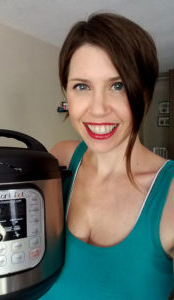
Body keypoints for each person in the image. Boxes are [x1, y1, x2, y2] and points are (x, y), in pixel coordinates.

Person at [40, 12, 174, 299]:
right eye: (82, 86)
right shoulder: (60, 157)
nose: (98, 109)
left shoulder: (171, 191)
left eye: (118, 85)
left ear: (144, 92)